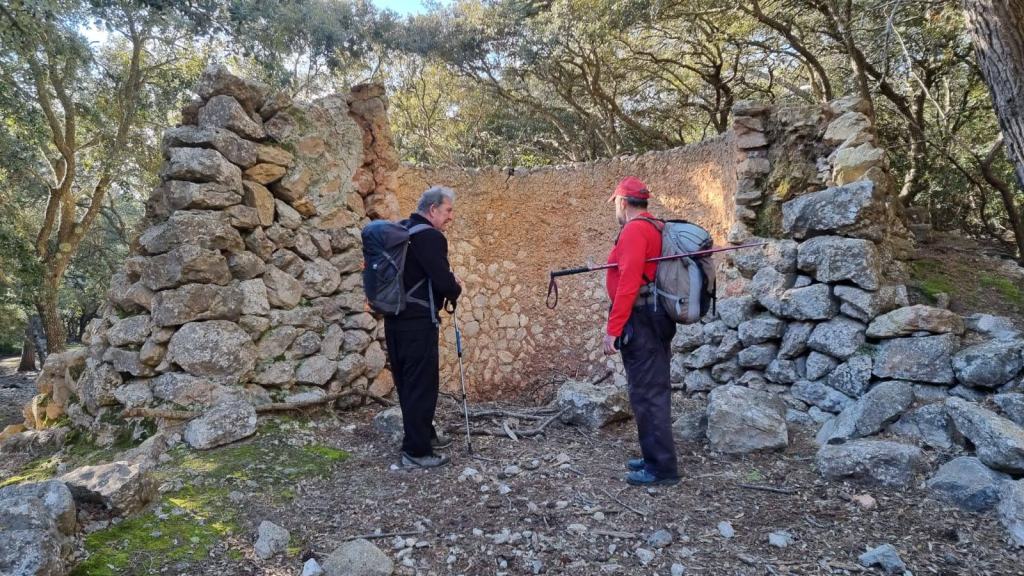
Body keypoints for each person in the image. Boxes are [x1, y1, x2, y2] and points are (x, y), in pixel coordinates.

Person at [602, 176, 680, 486]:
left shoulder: (635, 230)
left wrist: (613, 328)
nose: (615, 211)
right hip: (654, 316)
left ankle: (662, 468)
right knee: (650, 389)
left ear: (622, 202)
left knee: (647, 393)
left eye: (615, 205)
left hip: (642, 319)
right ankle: (653, 457)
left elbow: (629, 283)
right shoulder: (654, 226)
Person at [386, 185, 462, 468]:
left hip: (394, 321)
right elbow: (443, 283)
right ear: (433, 210)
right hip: (418, 323)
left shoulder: (401, 231)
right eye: (448, 211)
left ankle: (423, 434)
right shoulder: (430, 237)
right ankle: (416, 452)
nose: (450, 217)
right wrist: (456, 288)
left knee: (408, 384)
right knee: (422, 385)